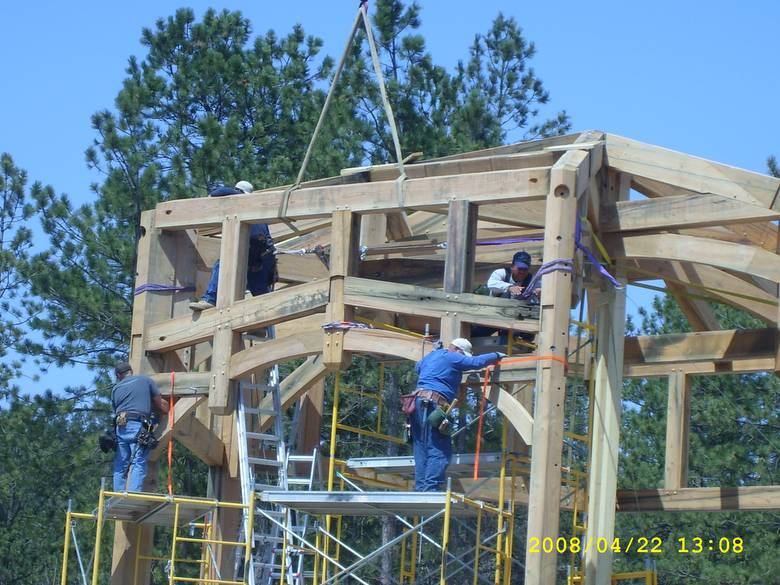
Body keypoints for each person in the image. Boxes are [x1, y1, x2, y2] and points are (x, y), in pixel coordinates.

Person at [410, 338, 504, 491]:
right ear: (458, 349)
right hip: (432, 404)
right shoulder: (452, 356)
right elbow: (475, 363)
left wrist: (434, 356)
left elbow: (418, 367)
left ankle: (422, 488)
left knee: (421, 447)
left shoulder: (433, 356)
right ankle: (430, 488)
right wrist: (496, 355)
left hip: (415, 403)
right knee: (439, 449)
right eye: (463, 355)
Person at [189, 181, 277, 311]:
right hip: (263, 255)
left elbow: (219, 192)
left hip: (250, 246)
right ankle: (263, 322)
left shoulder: (239, 199)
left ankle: (210, 299)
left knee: (222, 263)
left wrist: (210, 198)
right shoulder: (257, 209)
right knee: (259, 288)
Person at [112, 361, 169, 492]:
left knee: (120, 463)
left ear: (119, 375)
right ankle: (132, 494)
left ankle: (118, 495)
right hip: (138, 425)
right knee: (139, 461)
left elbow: (116, 409)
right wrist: (169, 411)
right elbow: (159, 404)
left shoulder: (115, 389)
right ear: (130, 371)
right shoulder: (145, 380)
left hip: (120, 426)